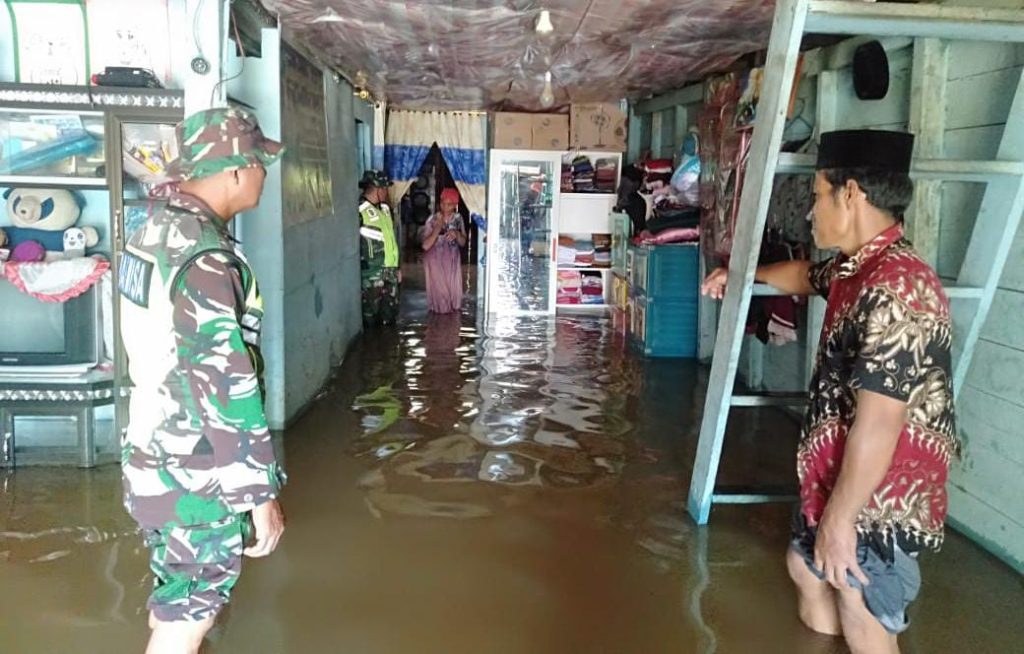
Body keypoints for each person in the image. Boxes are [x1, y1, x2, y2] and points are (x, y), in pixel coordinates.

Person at [702, 130, 959, 654]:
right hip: (836, 474)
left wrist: (841, 521)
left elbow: (880, 423)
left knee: (859, 602)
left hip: (880, 495)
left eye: (819, 195)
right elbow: (803, 275)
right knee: (806, 568)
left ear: (852, 194)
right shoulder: (856, 267)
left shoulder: (897, 291)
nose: (810, 211)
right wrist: (741, 275)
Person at [118, 107, 286, 654]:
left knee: (177, 594)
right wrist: (258, 494)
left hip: (149, 453)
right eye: (260, 163)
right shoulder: (204, 257)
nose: (264, 172)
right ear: (235, 171)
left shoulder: (152, 232)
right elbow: (223, 380)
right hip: (195, 471)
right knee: (189, 613)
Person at [359, 170, 401, 326]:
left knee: (390, 319)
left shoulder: (385, 210)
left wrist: (397, 268)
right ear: (378, 189)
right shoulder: (360, 210)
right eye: (385, 189)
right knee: (371, 320)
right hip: (371, 276)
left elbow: (391, 241)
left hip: (390, 274)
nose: (386, 192)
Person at [420, 187, 466, 314]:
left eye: (449, 204)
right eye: (443, 203)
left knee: (454, 300)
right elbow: (425, 245)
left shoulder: (458, 219)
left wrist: (456, 233)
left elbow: (463, 242)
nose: (445, 207)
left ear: (455, 205)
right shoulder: (432, 220)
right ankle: (438, 329)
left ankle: (451, 331)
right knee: (441, 300)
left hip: (451, 262)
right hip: (435, 262)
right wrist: (438, 227)